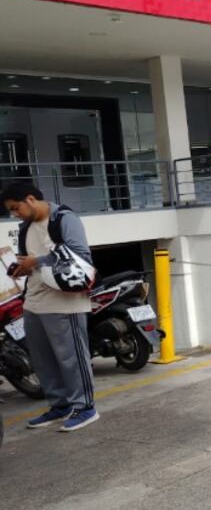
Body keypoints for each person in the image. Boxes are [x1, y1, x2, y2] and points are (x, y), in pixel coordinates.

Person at [1, 182, 98, 431]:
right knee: (43, 359)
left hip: (65, 302)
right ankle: (60, 406)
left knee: (72, 359)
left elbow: (81, 254)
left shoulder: (63, 219)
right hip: (34, 301)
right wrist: (22, 265)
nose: (15, 214)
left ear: (30, 199)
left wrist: (38, 260)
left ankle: (85, 408)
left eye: (16, 208)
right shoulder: (25, 227)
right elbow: (31, 261)